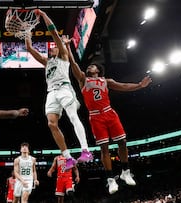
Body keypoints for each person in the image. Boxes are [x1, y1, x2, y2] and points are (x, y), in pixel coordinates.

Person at [65, 38, 152, 194]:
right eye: (88, 66)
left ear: (98, 70)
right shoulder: (83, 80)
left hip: (109, 113)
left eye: (92, 66)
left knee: (123, 142)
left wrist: (139, 85)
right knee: (104, 148)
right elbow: (74, 65)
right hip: (96, 117)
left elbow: (123, 86)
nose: (89, 67)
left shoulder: (106, 81)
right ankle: (111, 180)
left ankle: (125, 172)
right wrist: (67, 47)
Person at [25, 9, 93, 170]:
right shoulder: (46, 61)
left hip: (64, 88)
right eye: (51, 48)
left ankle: (86, 151)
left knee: (72, 116)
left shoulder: (63, 55)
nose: (52, 48)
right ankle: (68, 158)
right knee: (51, 124)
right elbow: (28, 48)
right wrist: (27, 30)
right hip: (52, 93)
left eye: (54, 46)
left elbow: (54, 32)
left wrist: (43, 15)